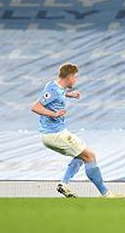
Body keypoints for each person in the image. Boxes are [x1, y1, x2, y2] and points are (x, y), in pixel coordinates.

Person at [31, 63, 116, 198]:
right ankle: (106, 193)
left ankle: (64, 184)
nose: (75, 80)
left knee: (81, 156)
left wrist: (70, 94)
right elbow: (35, 107)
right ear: (69, 77)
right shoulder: (53, 91)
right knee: (90, 156)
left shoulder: (53, 86)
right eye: (75, 77)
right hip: (55, 134)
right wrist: (54, 114)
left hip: (53, 134)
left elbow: (58, 94)